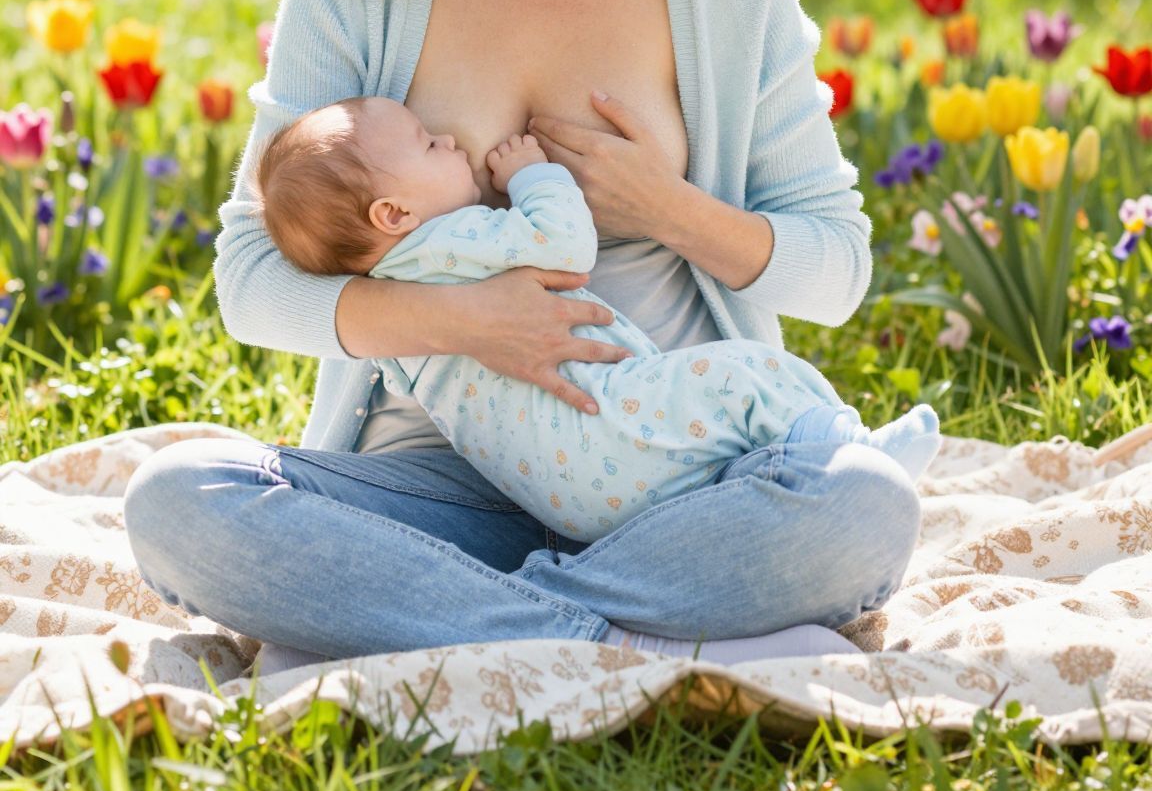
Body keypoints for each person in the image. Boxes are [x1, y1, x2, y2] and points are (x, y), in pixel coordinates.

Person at [123, 0, 926, 665]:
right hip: (448, 477)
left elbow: (837, 272)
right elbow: (250, 280)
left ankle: (470, 619)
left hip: (680, 473)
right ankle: (606, 630)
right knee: (179, 501)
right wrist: (461, 320)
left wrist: (665, 206)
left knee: (864, 505)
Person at [253, 95, 942, 543]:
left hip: (568, 493)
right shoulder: (450, 243)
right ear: (394, 216)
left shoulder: (392, 299)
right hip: (610, 425)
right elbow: (563, 247)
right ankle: (849, 453)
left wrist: (669, 206)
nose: (448, 139)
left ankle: (568, 599)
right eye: (430, 146)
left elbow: (839, 266)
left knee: (825, 533)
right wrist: (533, 178)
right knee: (747, 377)